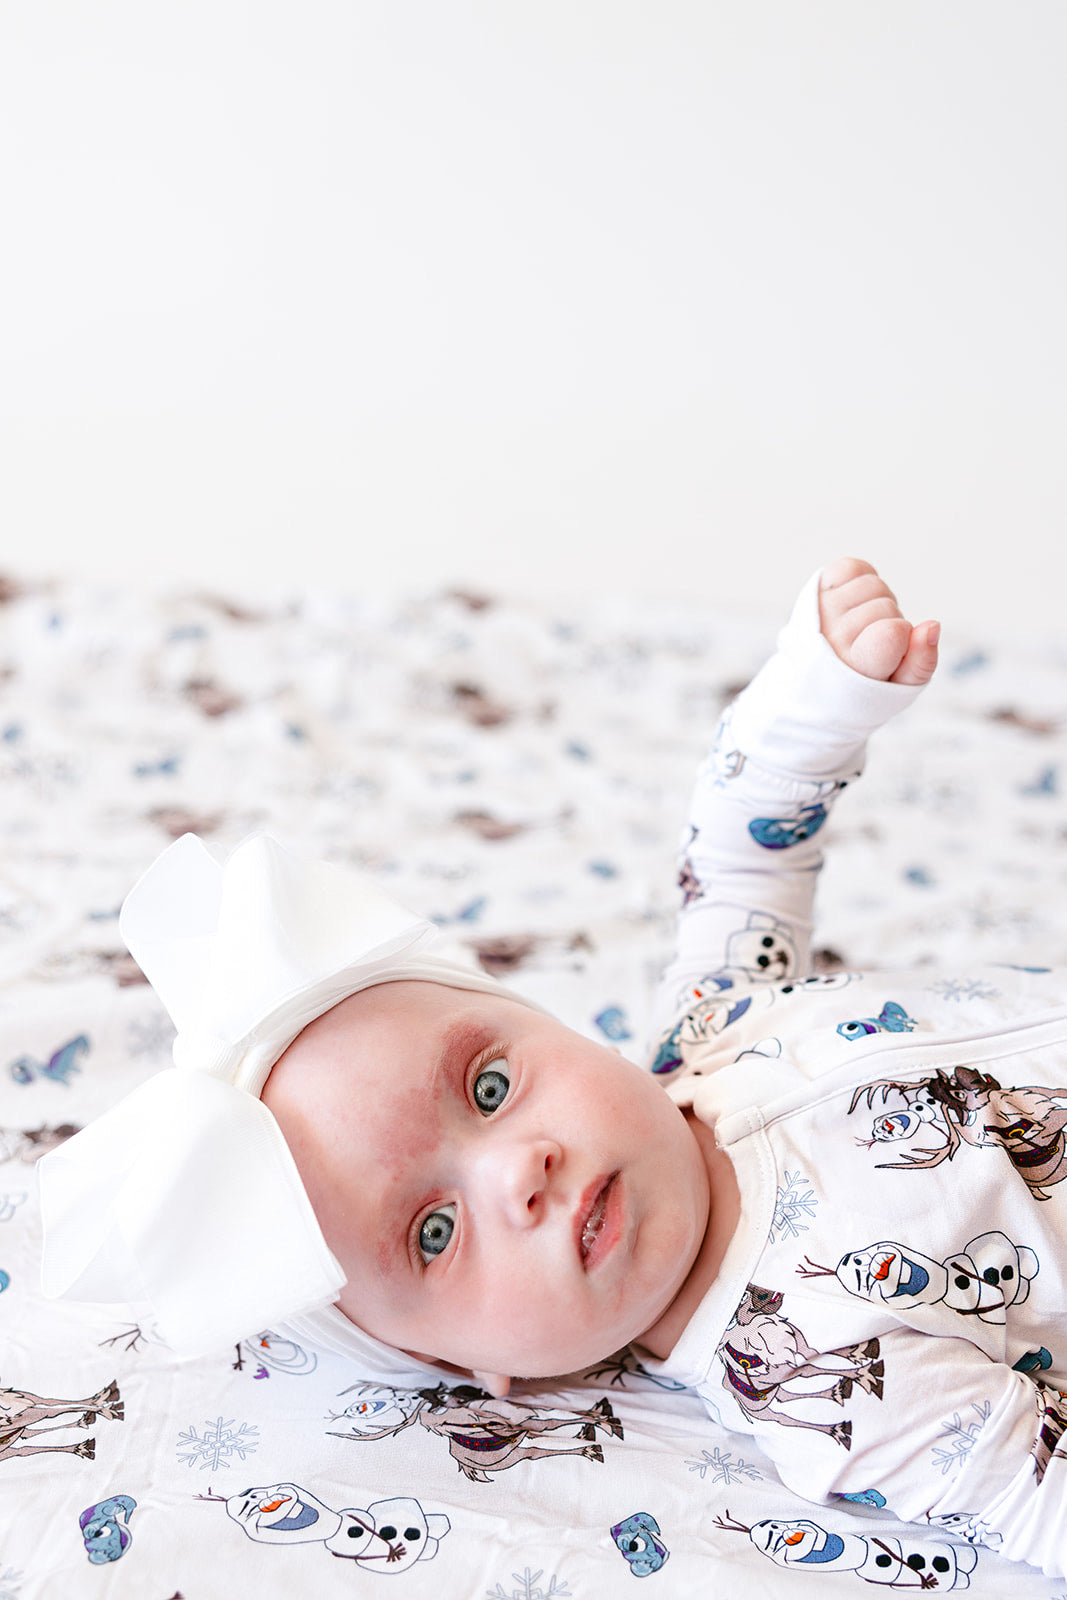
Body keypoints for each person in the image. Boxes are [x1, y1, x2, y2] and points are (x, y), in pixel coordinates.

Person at [38, 558, 1067, 1578]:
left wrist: (809, 705)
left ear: (538, 1020)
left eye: (489, 1087)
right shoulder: (825, 1373)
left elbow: (745, 858)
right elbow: (1029, 1491)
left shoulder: (708, 1029)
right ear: (464, 1368)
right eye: (433, 1234)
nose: (516, 1172)